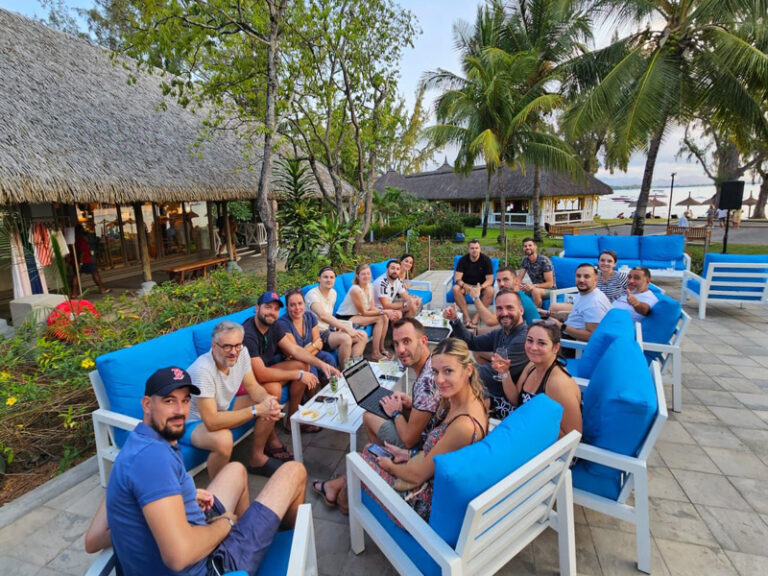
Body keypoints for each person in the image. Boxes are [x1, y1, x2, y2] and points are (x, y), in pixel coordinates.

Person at [84, 366, 307, 576]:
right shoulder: (154, 460)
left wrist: (180, 498)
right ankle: (268, 552)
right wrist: (225, 524)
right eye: (169, 401)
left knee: (236, 470)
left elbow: (93, 540)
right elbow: (179, 557)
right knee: (294, 471)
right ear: (147, 404)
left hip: (187, 532)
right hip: (208, 566)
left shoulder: (133, 449)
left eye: (185, 400)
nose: (179, 411)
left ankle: (250, 545)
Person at [312, 338, 488, 517]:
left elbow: (417, 476)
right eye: (435, 372)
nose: (439, 380)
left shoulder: (464, 425)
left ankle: (346, 504)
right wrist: (408, 454)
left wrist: (389, 466)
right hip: (431, 473)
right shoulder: (462, 399)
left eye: (448, 371)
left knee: (357, 462)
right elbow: (442, 454)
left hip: (422, 499)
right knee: (370, 450)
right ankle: (339, 492)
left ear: (468, 370)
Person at [186, 321, 288, 478]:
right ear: (214, 346)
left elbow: (253, 386)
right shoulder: (202, 371)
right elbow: (212, 421)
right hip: (194, 420)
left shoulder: (242, 353)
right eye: (227, 346)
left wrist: (267, 401)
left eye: (237, 345)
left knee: (269, 401)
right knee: (224, 439)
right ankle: (219, 491)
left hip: (222, 407)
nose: (233, 352)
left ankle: (257, 458)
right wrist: (255, 410)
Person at [241, 291, 340, 431]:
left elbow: (295, 350)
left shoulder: (273, 326)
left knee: (303, 364)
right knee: (276, 386)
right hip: (248, 380)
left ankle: (292, 421)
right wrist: (298, 374)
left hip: (268, 369)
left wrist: (322, 365)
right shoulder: (248, 333)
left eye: (276, 309)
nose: (272, 312)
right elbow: (260, 374)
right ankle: (268, 443)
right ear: (257, 308)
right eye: (267, 307)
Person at [490, 320, 582, 434]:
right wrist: (504, 372)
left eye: (541, 343)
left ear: (556, 348)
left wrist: (530, 428)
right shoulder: (532, 366)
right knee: (482, 400)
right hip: (524, 423)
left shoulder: (559, 383)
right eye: (529, 341)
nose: (533, 347)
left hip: (540, 438)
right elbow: (516, 400)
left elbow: (574, 433)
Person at [362, 318, 440, 450]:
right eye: (396, 344)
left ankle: (388, 460)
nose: (400, 350)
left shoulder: (426, 384)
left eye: (406, 341)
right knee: (383, 406)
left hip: (425, 447)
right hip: (433, 428)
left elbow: (409, 440)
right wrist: (411, 403)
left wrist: (396, 413)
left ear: (423, 341)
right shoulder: (433, 363)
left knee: (368, 416)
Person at [444, 289, 528, 405]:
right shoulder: (503, 332)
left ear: (521, 310)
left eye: (510, 307)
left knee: (452, 388)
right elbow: (473, 342)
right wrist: (455, 321)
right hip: (495, 386)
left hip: (505, 400)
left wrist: (452, 369)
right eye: (499, 309)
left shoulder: (523, 339)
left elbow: (489, 372)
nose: (504, 313)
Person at [304, 266, 368, 367]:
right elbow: (323, 315)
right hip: (316, 335)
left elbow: (328, 316)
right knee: (346, 338)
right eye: (325, 277)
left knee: (362, 336)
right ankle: (345, 373)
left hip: (328, 331)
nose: (329, 280)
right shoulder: (312, 295)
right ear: (319, 278)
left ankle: (354, 367)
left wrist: (336, 326)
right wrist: (345, 328)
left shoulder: (333, 293)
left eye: (331, 277)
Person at [335, 263, 391, 360]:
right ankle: (375, 353)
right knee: (380, 318)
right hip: (346, 317)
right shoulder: (355, 290)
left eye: (368, 274)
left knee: (385, 317)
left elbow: (372, 307)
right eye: (363, 274)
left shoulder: (370, 286)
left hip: (358, 315)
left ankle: (381, 348)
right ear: (357, 276)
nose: (366, 276)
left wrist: (385, 312)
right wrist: (384, 312)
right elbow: (365, 312)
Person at [547, 264, 611, 342]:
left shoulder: (595, 303)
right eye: (578, 276)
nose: (581, 280)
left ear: (596, 279)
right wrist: (550, 315)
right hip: (567, 333)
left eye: (586, 276)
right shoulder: (584, 294)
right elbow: (578, 314)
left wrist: (562, 326)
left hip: (572, 344)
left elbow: (591, 336)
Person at [466, 265, 540, 327]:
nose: (501, 284)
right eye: (498, 280)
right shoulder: (515, 295)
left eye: (506, 279)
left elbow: (490, 321)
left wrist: (475, 298)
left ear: (516, 281)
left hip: (529, 340)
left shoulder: (516, 299)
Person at [451, 239, 494, 329]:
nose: (474, 250)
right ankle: (467, 317)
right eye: (472, 248)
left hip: (480, 287)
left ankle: (476, 317)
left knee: (490, 290)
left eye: (476, 248)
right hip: (466, 286)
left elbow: (490, 280)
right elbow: (457, 278)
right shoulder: (463, 260)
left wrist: (480, 287)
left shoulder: (486, 260)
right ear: (468, 249)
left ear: (480, 249)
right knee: (455, 288)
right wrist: (464, 285)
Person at [71, 224, 110, 296]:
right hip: (85, 260)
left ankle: (74, 293)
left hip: (77, 260)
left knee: (76, 276)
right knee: (95, 273)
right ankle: (102, 288)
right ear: (80, 230)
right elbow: (82, 251)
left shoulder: (74, 239)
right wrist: (81, 262)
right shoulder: (80, 239)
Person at [518, 237, 554, 307]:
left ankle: (536, 315)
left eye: (530, 245)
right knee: (514, 287)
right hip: (534, 287)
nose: (527, 247)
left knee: (535, 291)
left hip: (550, 290)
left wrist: (533, 286)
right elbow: (519, 279)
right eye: (525, 246)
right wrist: (519, 285)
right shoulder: (525, 260)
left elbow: (550, 284)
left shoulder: (544, 261)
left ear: (535, 247)